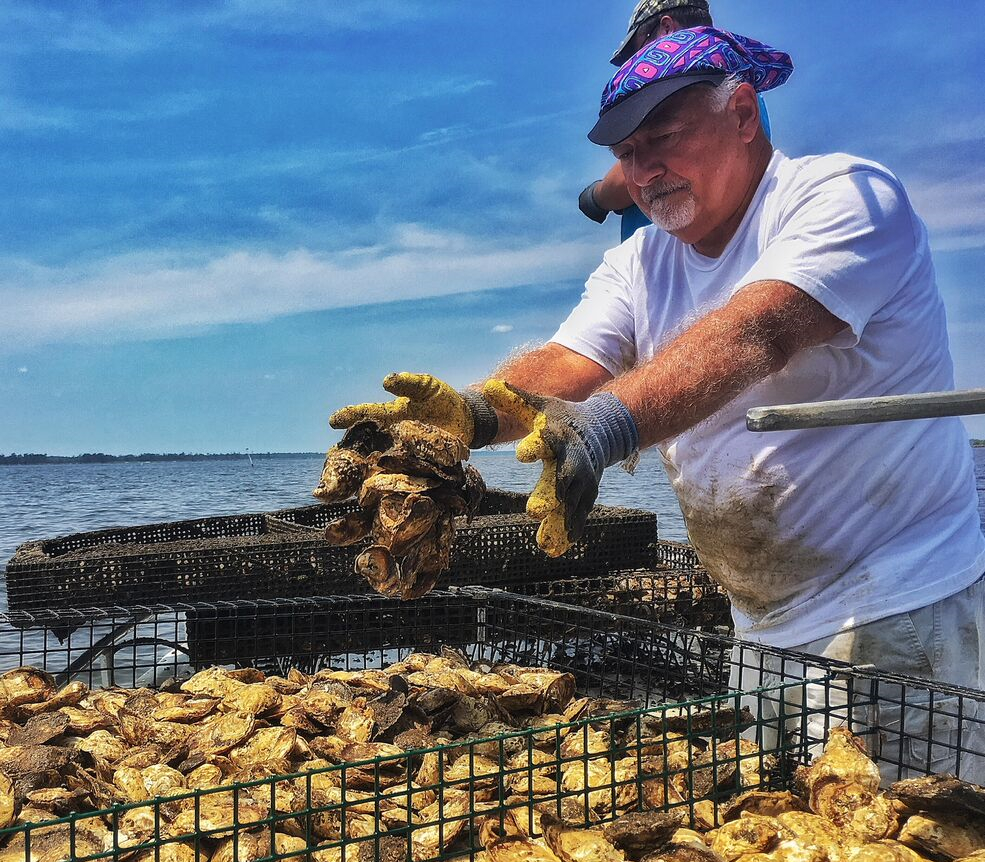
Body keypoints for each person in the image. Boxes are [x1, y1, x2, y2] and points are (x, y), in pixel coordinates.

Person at [333, 27, 985, 777]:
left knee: (899, 858)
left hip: (892, 606)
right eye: (624, 154)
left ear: (742, 113)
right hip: (762, 622)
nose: (643, 171)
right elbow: (568, 362)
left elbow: (756, 330)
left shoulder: (842, 196)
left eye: (663, 139)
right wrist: (472, 415)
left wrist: (607, 424)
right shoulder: (640, 260)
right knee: (785, 843)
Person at [579, 1, 772, 242]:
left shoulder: (721, 94)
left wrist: (595, 197)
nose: (632, 65)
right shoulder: (731, 88)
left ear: (667, 29)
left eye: (664, 135)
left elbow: (621, 184)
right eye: (626, 153)